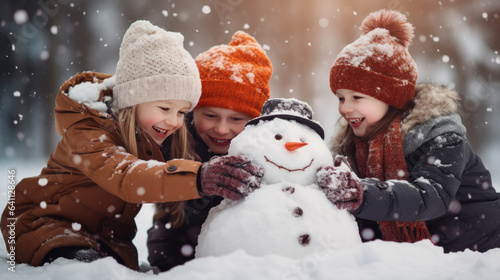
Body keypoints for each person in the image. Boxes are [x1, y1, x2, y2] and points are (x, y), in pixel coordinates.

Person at [0, 21, 263, 270]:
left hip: (107, 239)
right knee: (85, 267)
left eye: (182, 112)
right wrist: (198, 177)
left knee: (113, 268)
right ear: (133, 100)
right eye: (164, 107)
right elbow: (127, 176)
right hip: (46, 223)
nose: (173, 121)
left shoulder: (153, 134)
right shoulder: (90, 131)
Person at [318, 9, 500, 253]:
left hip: (480, 248)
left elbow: (430, 197)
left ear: (391, 98)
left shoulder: (441, 137)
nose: (345, 108)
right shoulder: (353, 146)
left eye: (357, 97)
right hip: (423, 254)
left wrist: (361, 193)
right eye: (340, 98)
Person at [147, 30, 273, 271]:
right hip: (177, 256)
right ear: (193, 110)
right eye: (211, 115)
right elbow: (165, 218)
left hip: (247, 262)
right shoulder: (173, 141)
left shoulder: (266, 151)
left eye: (236, 118)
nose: (222, 129)